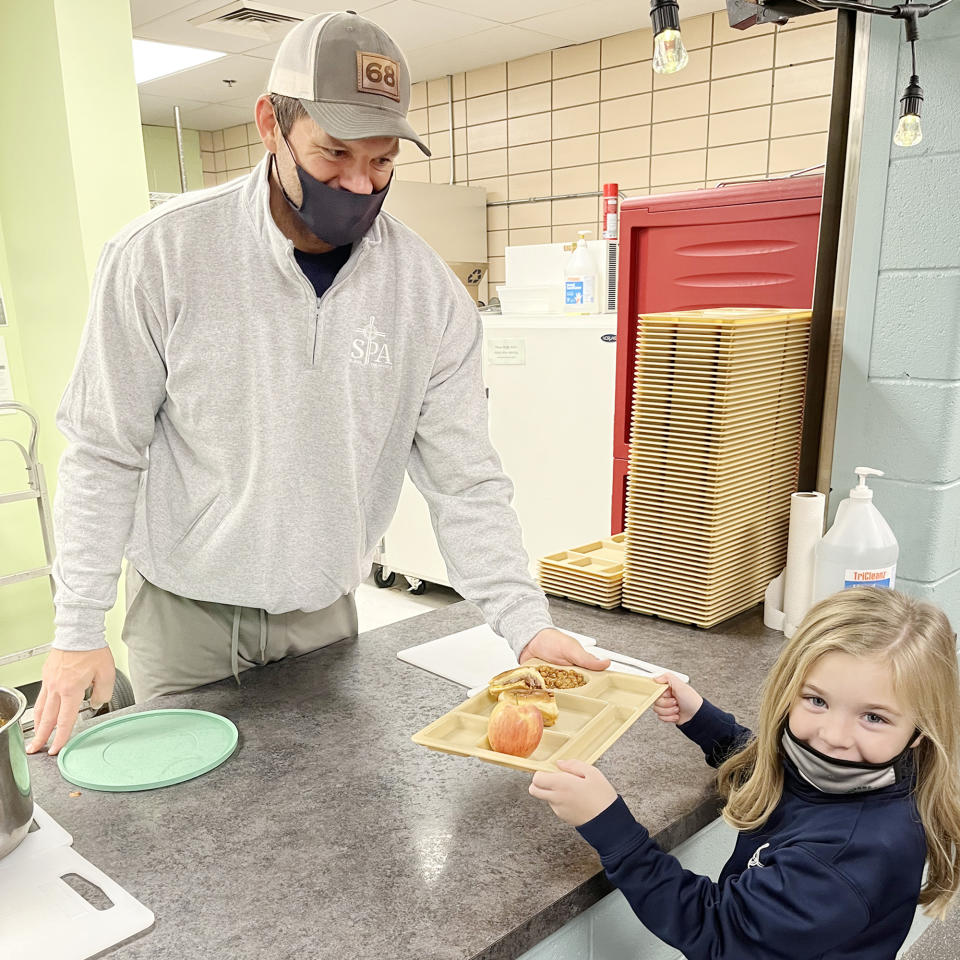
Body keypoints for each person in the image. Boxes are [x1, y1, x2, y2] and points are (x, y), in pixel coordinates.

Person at [27, 11, 607, 757]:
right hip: (184, 617)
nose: (359, 185)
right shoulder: (161, 257)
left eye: (383, 162)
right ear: (271, 123)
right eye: (333, 154)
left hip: (324, 615)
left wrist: (525, 622)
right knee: (192, 850)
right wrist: (78, 628)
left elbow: (464, 481)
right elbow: (105, 451)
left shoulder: (425, 294)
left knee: (335, 831)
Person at [529, 588, 960, 959]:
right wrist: (703, 721)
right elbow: (786, 774)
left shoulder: (849, 856)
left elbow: (719, 933)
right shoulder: (857, 769)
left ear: (922, 731)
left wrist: (610, 826)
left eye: (873, 717)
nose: (833, 736)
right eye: (817, 701)